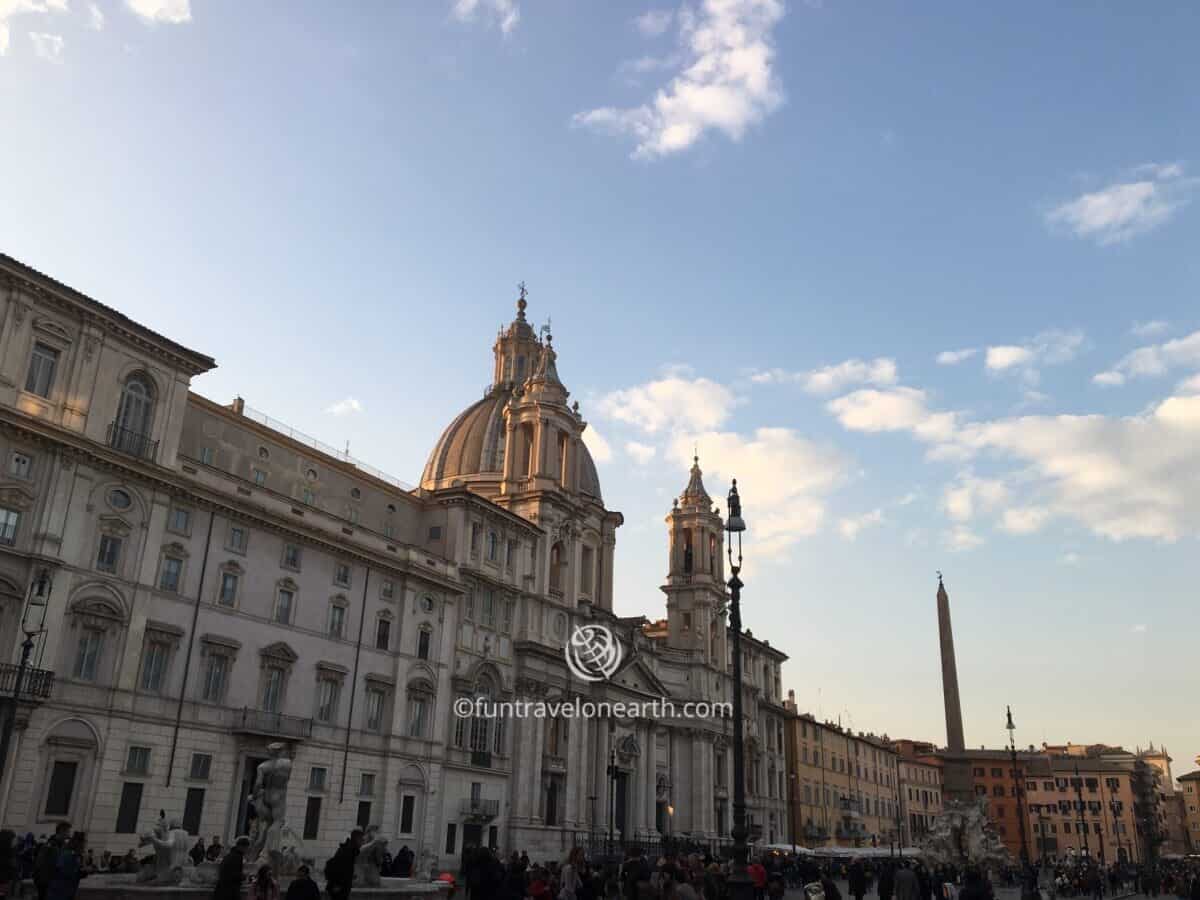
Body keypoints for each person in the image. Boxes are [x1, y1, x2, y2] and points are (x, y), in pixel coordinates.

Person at [34, 823, 72, 900]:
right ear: (62, 831)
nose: (69, 834)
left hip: (56, 882)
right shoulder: (50, 845)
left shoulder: (63, 845)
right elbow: (40, 863)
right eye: (68, 832)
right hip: (46, 881)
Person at [324, 829, 364, 900]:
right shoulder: (348, 850)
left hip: (341, 886)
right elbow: (338, 868)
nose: (363, 842)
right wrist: (337, 884)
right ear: (357, 839)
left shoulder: (349, 849)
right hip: (339, 887)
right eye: (362, 840)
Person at [47, 833, 86, 900]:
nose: (83, 848)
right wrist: (80, 873)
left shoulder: (75, 856)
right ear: (77, 844)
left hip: (67, 890)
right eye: (82, 846)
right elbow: (64, 872)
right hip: (60, 891)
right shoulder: (67, 854)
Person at [213, 836, 249, 900]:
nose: (247, 850)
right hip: (229, 891)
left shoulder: (230, 855)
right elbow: (234, 874)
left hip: (222, 889)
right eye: (246, 848)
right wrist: (243, 876)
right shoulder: (237, 857)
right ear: (242, 847)